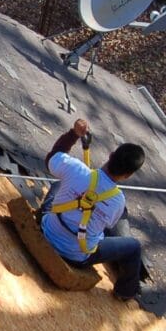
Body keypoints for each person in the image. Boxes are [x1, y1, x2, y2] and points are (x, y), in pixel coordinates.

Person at [41, 119, 147, 298]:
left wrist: (74, 134)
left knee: (59, 184)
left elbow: (53, 156)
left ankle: (53, 218)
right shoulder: (118, 202)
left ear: (111, 155)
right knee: (134, 247)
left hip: (48, 230)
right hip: (77, 255)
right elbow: (108, 227)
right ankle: (125, 292)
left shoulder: (76, 170)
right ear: (128, 175)